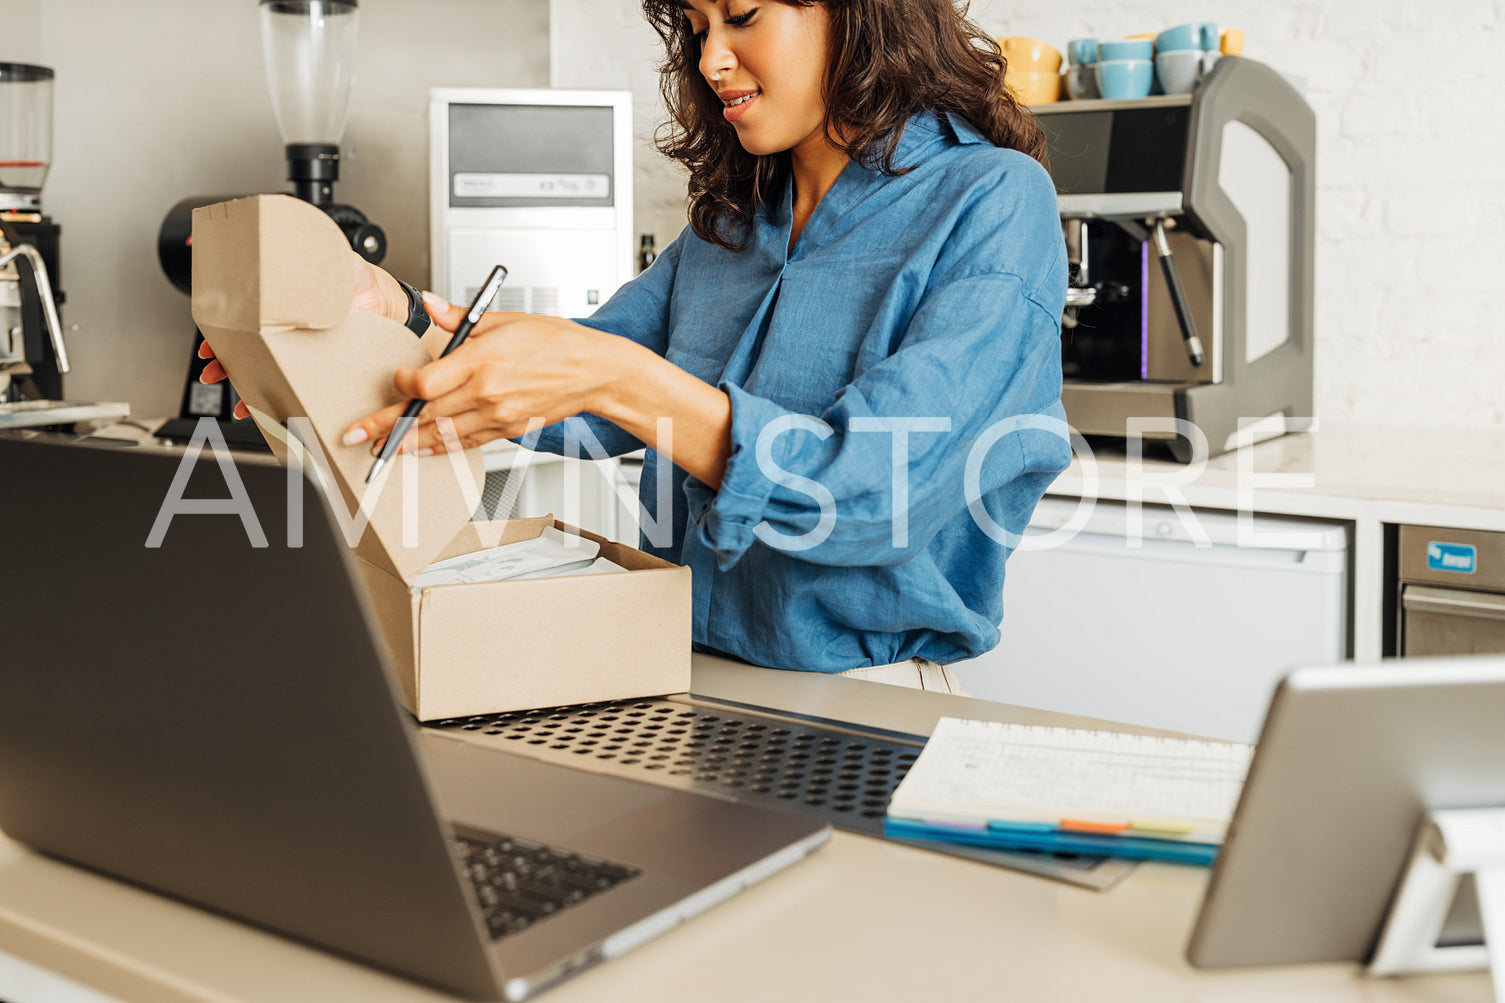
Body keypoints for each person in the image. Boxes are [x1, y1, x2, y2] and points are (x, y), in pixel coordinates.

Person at [202, 0, 1070, 693]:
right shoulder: (727, 232)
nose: (709, 60)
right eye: (694, 29)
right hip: (675, 674)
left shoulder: (992, 200)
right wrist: (376, 323)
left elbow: (875, 491)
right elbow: (557, 394)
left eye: (740, 17)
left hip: (867, 695)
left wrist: (618, 379)